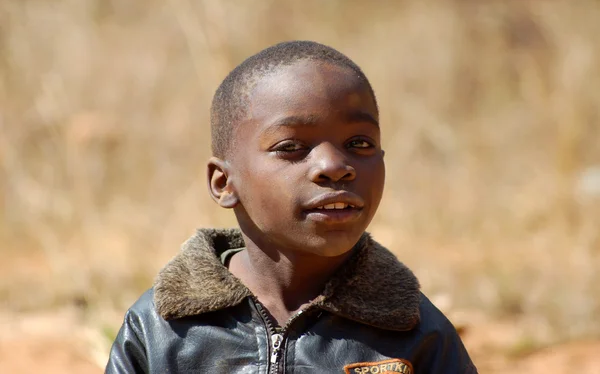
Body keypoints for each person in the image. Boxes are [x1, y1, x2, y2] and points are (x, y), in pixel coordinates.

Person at [106, 41, 477, 374]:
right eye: (291, 147)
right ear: (224, 183)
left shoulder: (416, 333)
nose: (334, 165)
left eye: (359, 142)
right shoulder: (160, 330)